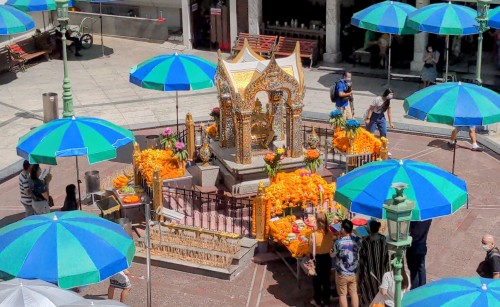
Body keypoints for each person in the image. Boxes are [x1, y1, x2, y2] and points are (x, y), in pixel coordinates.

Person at [358, 220, 390, 306]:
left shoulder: (366, 242)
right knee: (380, 294)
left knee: (370, 295)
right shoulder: (383, 239)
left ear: (370, 229)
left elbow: (361, 259)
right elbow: (387, 257)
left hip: (369, 273)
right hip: (382, 272)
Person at [332, 219, 360, 307]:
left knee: (342, 294)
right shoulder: (356, 241)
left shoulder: (338, 243)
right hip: (354, 273)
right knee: (354, 293)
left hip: (342, 273)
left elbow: (333, 255)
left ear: (343, 230)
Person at [309, 212, 334, 306]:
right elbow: (331, 246)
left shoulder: (314, 235)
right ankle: (326, 301)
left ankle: (318, 301)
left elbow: (311, 249)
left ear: (317, 221)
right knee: (326, 281)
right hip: (327, 258)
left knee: (317, 281)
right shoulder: (330, 233)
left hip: (317, 260)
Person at [406, 220, 432, 289]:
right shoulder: (428, 220)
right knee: (421, 267)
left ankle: (415, 288)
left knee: (414, 270)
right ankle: (423, 286)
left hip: (413, 247)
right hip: (422, 246)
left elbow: (408, 231)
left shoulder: (414, 220)